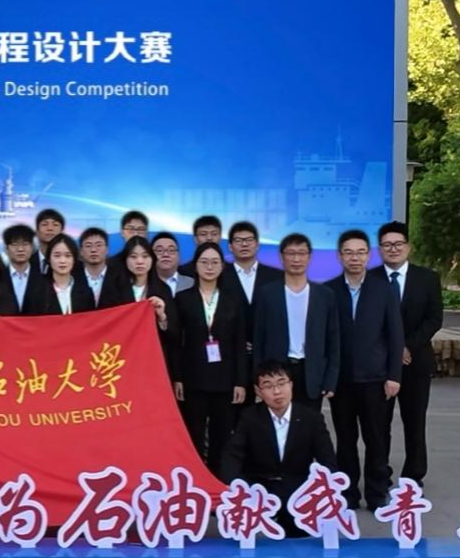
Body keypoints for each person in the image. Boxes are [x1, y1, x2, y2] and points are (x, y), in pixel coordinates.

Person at [327, 230, 404, 509]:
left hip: (376, 379)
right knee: (346, 441)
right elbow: (324, 337)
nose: (355, 258)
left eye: (360, 252)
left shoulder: (383, 289)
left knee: (376, 439)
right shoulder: (328, 291)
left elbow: (395, 336)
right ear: (340, 256)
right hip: (342, 380)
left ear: (368, 256)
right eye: (349, 252)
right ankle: (347, 494)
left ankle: (376, 493)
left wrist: (394, 375)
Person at [221, 361, 337, 537]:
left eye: (281, 383)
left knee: (300, 535)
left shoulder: (311, 418)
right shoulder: (249, 417)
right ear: (258, 391)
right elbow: (231, 457)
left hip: (299, 491)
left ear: (291, 385)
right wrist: (241, 488)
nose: (277, 391)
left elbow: (327, 461)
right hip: (259, 489)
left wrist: (319, 493)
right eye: (268, 386)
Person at [371, 221, 443, 487]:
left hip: (416, 362)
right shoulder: (370, 279)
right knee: (379, 424)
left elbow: (434, 319)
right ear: (380, 249)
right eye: (387, 245)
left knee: (415, 421)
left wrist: (407, 346)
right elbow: (367, 322)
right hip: (379, 364)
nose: (393, 249)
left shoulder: (427, 278)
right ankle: (380, 473)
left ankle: (414, 476)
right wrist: (391, 350)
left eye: (398, 244)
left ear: (408, 247)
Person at [172, 242, 247, 476]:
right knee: (193, 432)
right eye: (204, 262)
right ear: (195, 266)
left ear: (222, 266)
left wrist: (240, 381)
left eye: (215, 262)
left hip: (225, 379)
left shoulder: (233, 299)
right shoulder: (182, 299)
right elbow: (176, 342)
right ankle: (195, 479)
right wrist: (177, 378)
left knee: (222, 434)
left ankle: (219, 480)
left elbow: (240, 343)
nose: (209, 267)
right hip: (193, 378)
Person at [252, 234, 340, 411]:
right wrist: (258, 377)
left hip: (311, 372)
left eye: (301, 253)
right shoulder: (267, 293)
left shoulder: (324, 295)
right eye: (291, 253)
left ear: (310, 257)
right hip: (277, 372)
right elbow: (258, 339)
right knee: (278, 423)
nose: (296, 259)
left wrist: (330, 380)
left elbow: (333, 340)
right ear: (281, 257)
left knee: (309, 423)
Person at [98, 236, 177, 375]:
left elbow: (173, 335)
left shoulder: (163, 290)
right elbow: (103, 325)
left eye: (145, 256)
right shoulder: (113, 288)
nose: (140, 261)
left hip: (153, 360)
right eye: (133, 257)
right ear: (125, 260)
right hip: (121, 359)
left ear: (152, 259)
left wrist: (162, 317)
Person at [30, 234, 96, 315]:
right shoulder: (36, 292)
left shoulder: (86, 292)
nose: (62, 261)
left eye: (68, 256)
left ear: (74, 259)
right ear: (49, 259)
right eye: (57, 256)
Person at [3, 224, 44, 312]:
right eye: (14, 244)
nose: (20, 249)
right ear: (6, 249)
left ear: (32, 248)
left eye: (25, 244)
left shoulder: (43, 278)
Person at [29, 209, 66, 275]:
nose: (50, 228)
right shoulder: (26, 262)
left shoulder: (74, 264)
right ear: (37, 231)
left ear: (62, 231)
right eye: (44, 224)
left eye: (55, 225)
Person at [79, 227, 110, 304]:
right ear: (81, 251)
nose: (93, 250)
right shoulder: (73, 279)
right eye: (88, 246)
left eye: (98, 245)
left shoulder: (119, 278)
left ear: (107, 249)